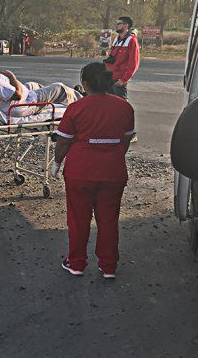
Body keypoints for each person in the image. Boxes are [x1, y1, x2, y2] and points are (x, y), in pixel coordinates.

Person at [50, 62, 135, 279]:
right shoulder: (124, 107)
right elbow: (125, 140)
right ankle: (108, 266)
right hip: (113, 172)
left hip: (80, 172)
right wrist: (113, 156)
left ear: (85, 84)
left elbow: (63, 142)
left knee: (78, 219)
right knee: (108, 219)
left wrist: (57, 163)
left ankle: (77, 263)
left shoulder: (76, 108)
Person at [0, 60, 82, 117]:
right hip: (24, 103)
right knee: (58, 88)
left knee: (34, 85)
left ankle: (76, 93)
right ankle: (83, 100)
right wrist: (11, 75)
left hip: (21, 96)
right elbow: (17, 95)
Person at [104, 16, 140, 99]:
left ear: (126, 25)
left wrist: (124, 80)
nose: (116, 26)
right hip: (109, 77)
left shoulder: (131, 40)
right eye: (116, 24)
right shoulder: (116, 39)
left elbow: (134, 63)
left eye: (119, 24)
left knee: (121, 104)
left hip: (119, 80)